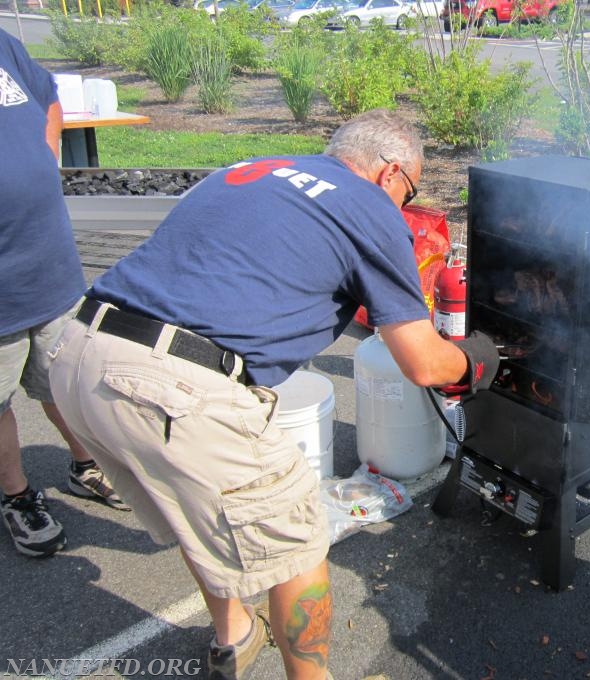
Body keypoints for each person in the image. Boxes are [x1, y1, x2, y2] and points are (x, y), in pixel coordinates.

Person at [48, 108, 499, 680]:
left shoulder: (254, 167)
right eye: (408, 194)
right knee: (301, 546)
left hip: (80, 352)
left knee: (195, 510)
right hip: (172, 386)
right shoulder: (367, 206)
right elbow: (422, 362)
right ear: (390, 174)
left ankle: (233, 635)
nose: (403, 209)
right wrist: (480, 360)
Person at [0, 27, 128, 559]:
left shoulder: (2, 43)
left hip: (47, 262)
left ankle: (84, 465)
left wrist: (44, 155)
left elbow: (47, 94)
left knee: (66, 379)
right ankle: (17, 495)